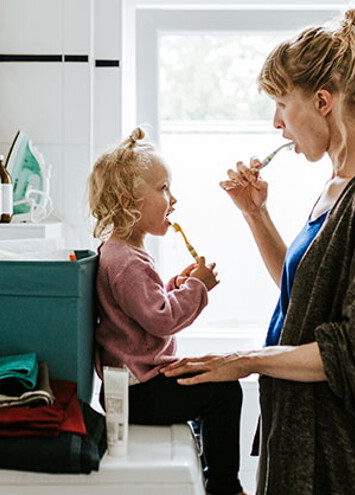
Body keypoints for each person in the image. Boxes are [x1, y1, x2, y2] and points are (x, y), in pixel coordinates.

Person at [162, 9, 355, 495]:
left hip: (349, 461)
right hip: (303, 434)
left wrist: (246, 359)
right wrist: (254, 213)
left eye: (283, 104)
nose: (277, 124)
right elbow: (306, 295)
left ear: (323, 101)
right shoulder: (338, 187)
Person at [88, 127, 247, 495]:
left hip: (132, 387)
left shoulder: (120, 253)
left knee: (211, 379)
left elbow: (140, 307)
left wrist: (175, 284)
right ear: (129, 203)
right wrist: (198, 287)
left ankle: (212, 467)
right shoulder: (127, 261)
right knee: (225, 391)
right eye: (162, 189)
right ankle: (224, 486)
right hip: (140, 392)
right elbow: (161, 319)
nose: (172, 199)